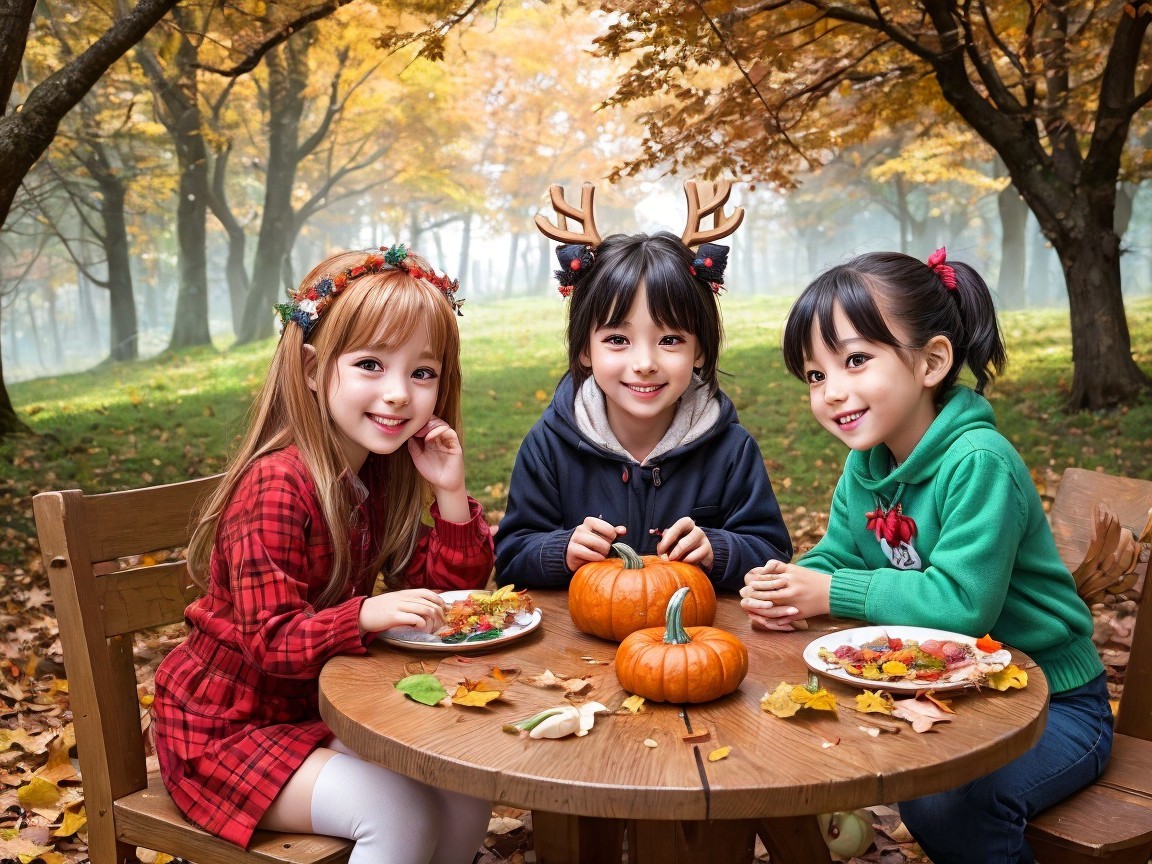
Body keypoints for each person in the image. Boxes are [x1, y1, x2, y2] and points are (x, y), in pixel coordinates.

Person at [740, 248, 1113, 863]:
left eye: (855, 360)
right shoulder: (868, 464)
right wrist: (791, 580)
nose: (833, 391)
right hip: (958, 690)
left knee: (948, 802)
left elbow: (964, 605)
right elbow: (838, 556)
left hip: (1053, 702)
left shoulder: (978, 463)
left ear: (933, 361)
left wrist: (831, 593)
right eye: (815, 375)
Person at [151, 245, 495, 864]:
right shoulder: (278, 485)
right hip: (226, 728)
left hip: (318, 708)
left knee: (466, 785)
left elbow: (444, 596)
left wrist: (449, 494)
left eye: (422, 373)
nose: (398, 394)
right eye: (370, 364)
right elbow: (270, 642)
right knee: (397, 812)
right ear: (313, 368)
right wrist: (365, 614)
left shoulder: (380, 474)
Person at [496, 197, 792, 592]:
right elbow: (511, 558)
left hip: (695, 638)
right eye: (617, 339)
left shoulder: (731, 451)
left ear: (699, 349)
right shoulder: (548, 447)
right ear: (585, 349)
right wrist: (560, 549)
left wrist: (716, 548)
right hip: (575, 644)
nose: (645, 363)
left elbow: (771, 551)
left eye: (670, 339)